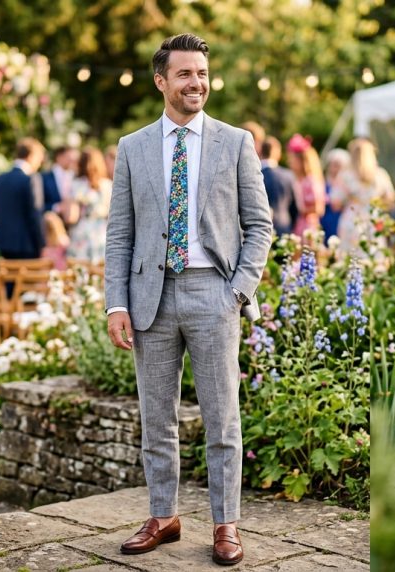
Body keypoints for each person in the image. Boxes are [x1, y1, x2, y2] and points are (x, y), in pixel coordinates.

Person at [105, 33, 271, 567]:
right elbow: (119, 233)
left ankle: (226, 525)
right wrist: (116, 303)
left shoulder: (236, 141)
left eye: (201, 73)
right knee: (158, 417)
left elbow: (260, 226)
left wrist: (237, 292)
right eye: (184, 74)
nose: (196, 83)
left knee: (222, 420)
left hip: (212, 292)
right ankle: (164, 515)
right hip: (149, 296)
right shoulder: (132, 148)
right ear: (162, 82)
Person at [333, 138, 395, 254]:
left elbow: (335, 202)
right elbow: (390, 199)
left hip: (352, 218)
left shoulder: (346, 175)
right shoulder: (380, 174)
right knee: (373, 254)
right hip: (373, 218)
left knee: (350, 257)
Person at [0, 138, 47, 261]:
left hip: (4, 242)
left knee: (9, 279)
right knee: (26, 280)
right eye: (39, 158)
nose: (39, 163)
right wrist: (41, 244)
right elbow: (35, 214)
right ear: (31, 156)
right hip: (28, 245)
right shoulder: (32, 179)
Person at [67, 147, 112, 262]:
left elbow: (72, 217)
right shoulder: (107, 185)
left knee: (80, 269)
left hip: (82, 231)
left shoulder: (77, 184)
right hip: (102, 231)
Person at [286, 134, 325, 236]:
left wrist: (301, 209)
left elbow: (319, 208)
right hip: (296, 224)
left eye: (293, 159)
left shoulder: (310, 181)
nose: (290, 162)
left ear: (302, 161)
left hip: (307, 226)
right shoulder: (295, 179)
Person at [260, 135, 296, 236]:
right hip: (283, 226)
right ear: (277, 153)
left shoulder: (255, 174)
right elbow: (294, 208)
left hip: (258, 230)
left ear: (261, 152)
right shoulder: (289, 176)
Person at [42, 146, 80, 226]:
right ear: (59, 157)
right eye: (69, 158)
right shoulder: (44, 178)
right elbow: (38, 205)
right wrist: (57, 207)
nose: (73, 161)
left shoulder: (77, 178)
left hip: (75, 226)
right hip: (51, 226)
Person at [320, 149, 349, 241]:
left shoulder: (347, 185)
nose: (334, 168)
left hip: (340, 220)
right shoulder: (323, 183)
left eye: (337, 165)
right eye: (332, 164)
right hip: (325, 220)